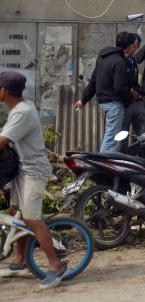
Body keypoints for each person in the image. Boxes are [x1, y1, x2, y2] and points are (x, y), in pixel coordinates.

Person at [0, 71, 66, 289]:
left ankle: (56, 266)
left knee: (31, 219)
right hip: (22, 168)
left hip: (34, 171)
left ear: (5, 91)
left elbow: (2, 141)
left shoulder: (21, 112)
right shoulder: (19, 107)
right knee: (15, 213)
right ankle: (20, 261)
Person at [74, 32, 132, 152]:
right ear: (130, 46)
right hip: (114, 104)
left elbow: (93, 81)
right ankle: (103, 165)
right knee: (111, 139)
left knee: (110, 136)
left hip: (103, 103)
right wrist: (128, 100)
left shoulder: (102, 58)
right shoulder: (120, 61)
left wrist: (83, 99)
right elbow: (119, 87)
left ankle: (106, 164)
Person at [122, 34, 145, 141]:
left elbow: (134, 82)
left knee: (143, 130)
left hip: (136, 101)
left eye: (137, 46)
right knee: (122, 134)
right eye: (134, 45)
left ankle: (141, 153)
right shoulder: (119, 61)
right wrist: (131, 91)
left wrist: (141, 93)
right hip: (124, 103)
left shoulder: (133, 61)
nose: (135, 48)